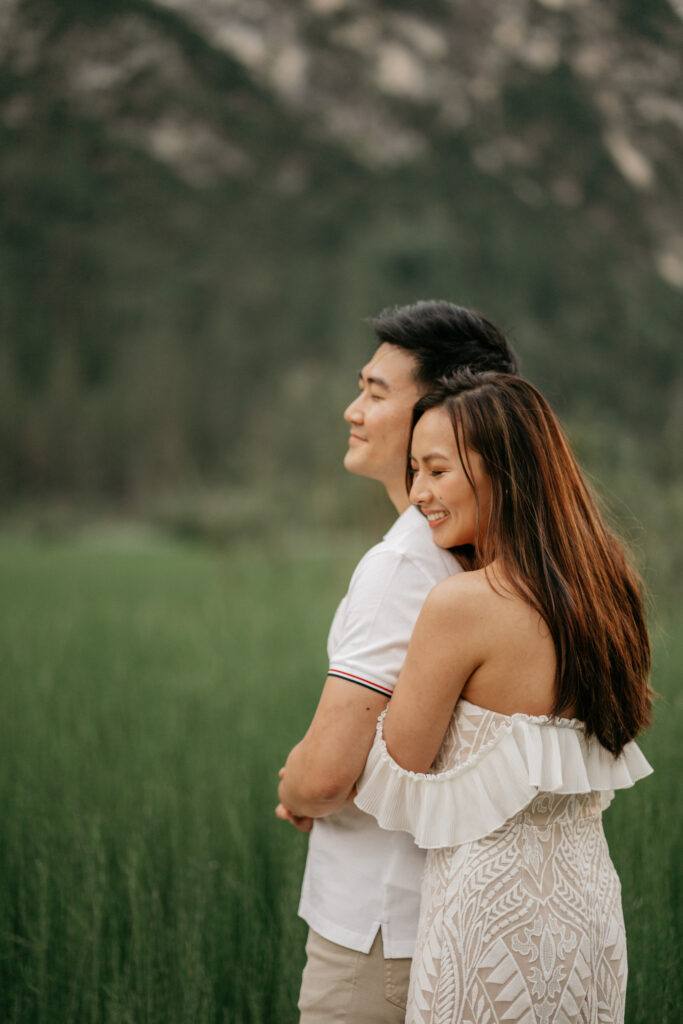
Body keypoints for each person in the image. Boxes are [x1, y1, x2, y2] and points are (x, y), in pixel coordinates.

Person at [351, 370, 654, 1023]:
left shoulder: (461, 605)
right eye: (413, 471)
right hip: (588, 912)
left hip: (486, 912)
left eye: (435, 470)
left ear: (505, 472)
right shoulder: (608, 588)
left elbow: (402, 754)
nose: (416, 493)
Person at [276, 302, 519, 1023]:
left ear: (444, 411)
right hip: (458, 919)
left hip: (376, 926)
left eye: (376, 393)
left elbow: (325, 774)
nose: (353, 411)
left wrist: (296, 786)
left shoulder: (402, 568)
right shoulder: (493, 559)